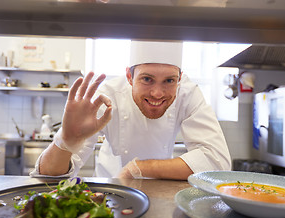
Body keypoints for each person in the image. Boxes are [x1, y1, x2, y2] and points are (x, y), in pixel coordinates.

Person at [30, 41, 231, 180]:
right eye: (147, 79)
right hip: (109, 190)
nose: (158, 93)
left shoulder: (188, 93)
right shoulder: (107, 96)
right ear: (129, 76)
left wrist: (139, 169)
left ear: (180, 77)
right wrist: (66, 141)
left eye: (169, 80)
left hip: (160, 190)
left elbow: (218, 162)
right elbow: (48, 176)